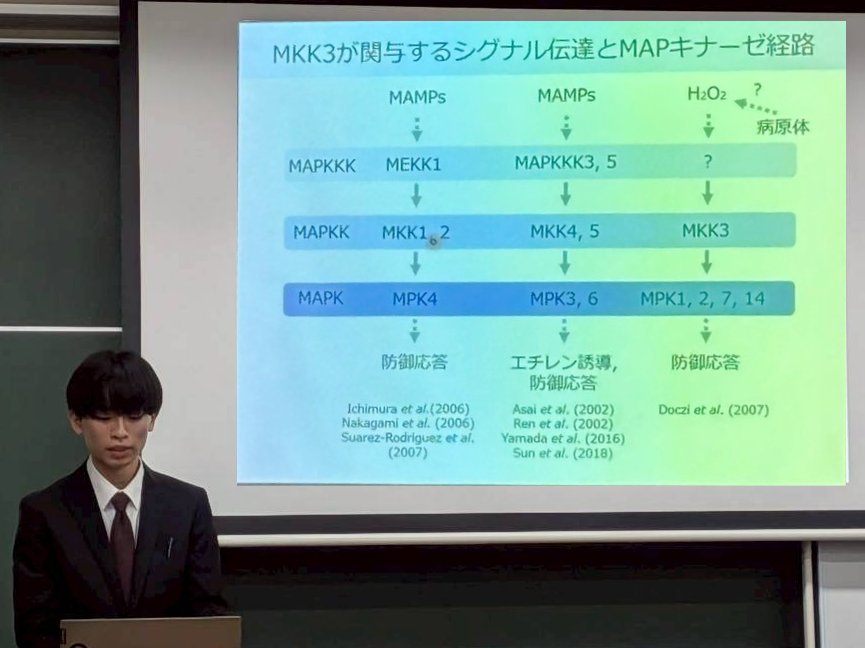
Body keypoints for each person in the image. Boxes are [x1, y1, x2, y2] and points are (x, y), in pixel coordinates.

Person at [13, 350, 228, 648]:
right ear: (76, 421)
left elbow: (209, 616)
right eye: (104, 418)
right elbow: (34, 629)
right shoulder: (44, 513)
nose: (120, 432)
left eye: (134, 417)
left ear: (152, 419)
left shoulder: (188, 506)